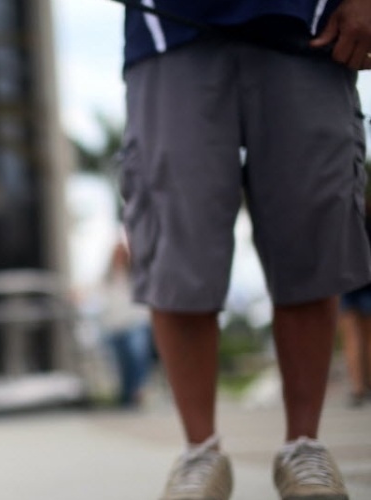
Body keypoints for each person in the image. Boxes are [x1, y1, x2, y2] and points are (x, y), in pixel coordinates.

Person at [120, 1, 371, 499]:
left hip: (308, 24)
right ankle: (200, 452)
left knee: (309, 235)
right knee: (177, 244)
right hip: (168, 24)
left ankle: (304, 446)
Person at [99, 238, 155, 408]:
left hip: (135, 323)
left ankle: (136, 391)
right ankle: (126, 395)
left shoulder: (136, 276)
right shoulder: (107, 278)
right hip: (113, 325)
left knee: (136, 356)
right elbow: (95, 296)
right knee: (120, 363)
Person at [338, 193, 371, 408]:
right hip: (357, 282)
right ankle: (360, 385)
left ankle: (359, 386)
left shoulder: (340, 218)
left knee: (356, 338)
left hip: (349, 281)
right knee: (360, 337)